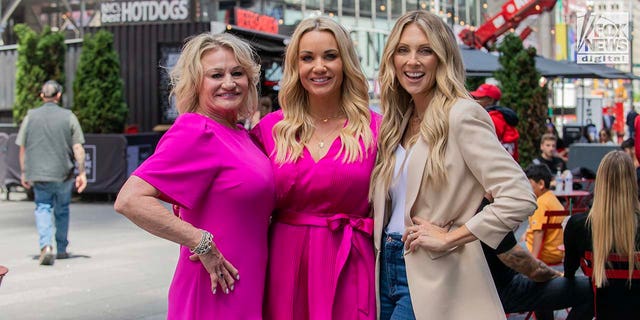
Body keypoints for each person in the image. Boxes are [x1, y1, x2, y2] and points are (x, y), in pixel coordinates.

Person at [369, 10, 536, 320]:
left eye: (425, 50)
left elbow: (519, 196)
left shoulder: (461, 115)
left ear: (442, 58)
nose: (412, 61)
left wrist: (452, 236)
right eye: (403, 50)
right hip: (384, 268)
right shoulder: (398, 122)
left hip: (433, 269)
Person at [114, 33, 275, 319]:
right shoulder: (195, 130)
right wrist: (202, 242)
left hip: (246, 283)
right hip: (215, 286)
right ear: (196, 82)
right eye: (216, 75)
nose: (229, 82)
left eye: (237, 73)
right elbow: (130, 200)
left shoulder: (239, 134)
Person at [251, 16, 380, 320]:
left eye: (330, 56)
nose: (318, 67)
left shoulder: (375, 130)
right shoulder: (270, 130)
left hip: (351, 263)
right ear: (295, 66)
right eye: (307, 58)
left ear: (345, 62)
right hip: (284, 263)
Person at [477, 197, 593, 320]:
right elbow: (522, 262)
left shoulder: (470, 209)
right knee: (592, 290)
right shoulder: (487, 213)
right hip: (502, 290)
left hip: (486, 286)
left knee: (541, 280)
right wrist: (557, 274)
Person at [16, 80, 87, 266]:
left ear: (41, 96)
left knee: (43, 207)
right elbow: (78, 147)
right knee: (62, 209)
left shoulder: (30, 116)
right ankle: (62, 248)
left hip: (39, 173)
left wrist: (24, 172)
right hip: (63, 172)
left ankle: (46, 246)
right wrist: (82, 173)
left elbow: (22, 147)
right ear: (58, 96)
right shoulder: (68, 116)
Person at [564, 151, 640, 318]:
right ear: (633, 182)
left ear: (601, 182)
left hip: (601, 308)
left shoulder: (578, 225)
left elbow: (569, 272)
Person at [523, 164, 566, 265]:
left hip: (545, 254)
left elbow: (538, 234)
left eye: (529, 183)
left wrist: (533, 264)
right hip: (558, 252)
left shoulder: (540, 204)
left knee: (510, 248)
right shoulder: (552, 198)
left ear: (541, 184)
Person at [470, 83, 520, 161]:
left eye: (480, 97)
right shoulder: (501, 116)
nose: (476, 100)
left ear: (490, 100)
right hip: (506, 165)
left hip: (497, 165)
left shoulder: (492, 118)